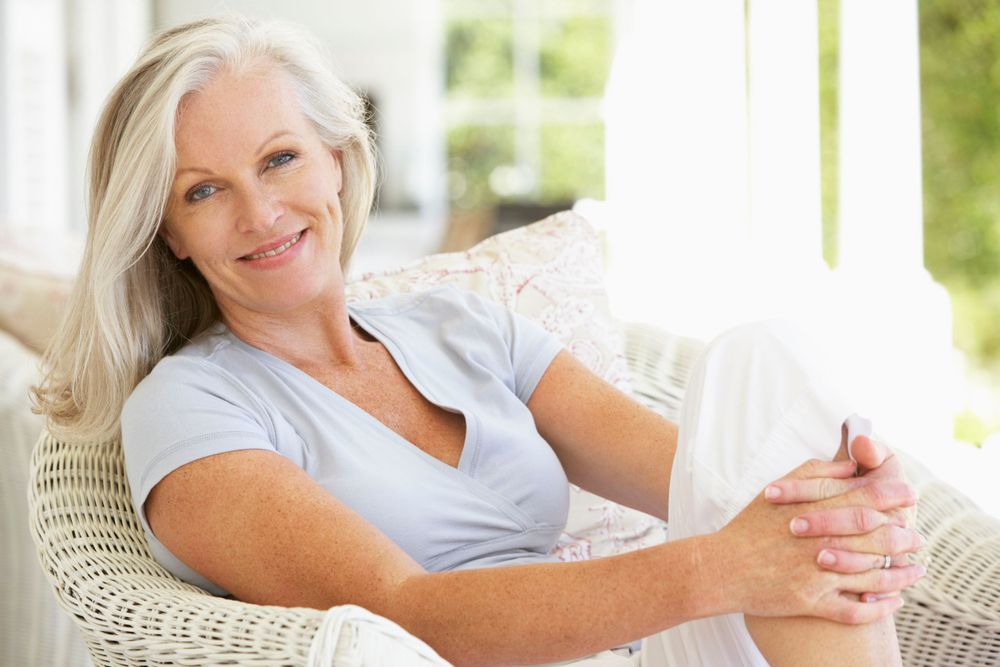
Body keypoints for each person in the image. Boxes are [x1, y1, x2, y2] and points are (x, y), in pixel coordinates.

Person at [34, 15, 925, 667]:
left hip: (642, 652)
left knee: (759, 360)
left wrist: (853, 506)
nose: (261, 212)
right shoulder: (190, 406)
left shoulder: (460, 325)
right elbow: (406, 611)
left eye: (279, 159)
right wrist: (726, 568)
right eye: (202, 191)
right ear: (165, 232)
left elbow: (720, 484)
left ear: (338, 159)